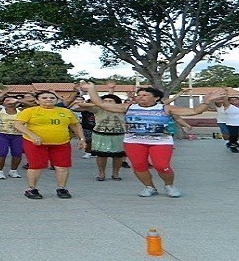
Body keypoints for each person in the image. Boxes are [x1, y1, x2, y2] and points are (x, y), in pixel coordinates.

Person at [83, 82, 225, 197]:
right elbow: (100, 104)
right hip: (134, 141)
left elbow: (195, 111)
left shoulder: (166, 108)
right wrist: (91, 89)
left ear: (156, 98)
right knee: (139, 166)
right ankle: (149, 187)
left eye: (145, 95)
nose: (141, 97)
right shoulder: (128, 107)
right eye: (139, 95)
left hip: (160, 141)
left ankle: (169, 186)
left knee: (161, 165)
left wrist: (206, 102)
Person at [10, 91, 85, 199]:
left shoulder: (65, 111)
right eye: (44, 98)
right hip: (35, 143)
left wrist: (82, 139)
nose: (48, 99)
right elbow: (18, 124)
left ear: (56, 100)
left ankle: (62, 188)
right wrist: (32, 135)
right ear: (37, 100)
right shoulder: (30, 111)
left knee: (62, 166)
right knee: (36, 166)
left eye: (51, 98)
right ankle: (32, 189)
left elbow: (75, 125)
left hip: (61, 143)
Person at [83, 83, 127, 181]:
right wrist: (98, 103)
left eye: (110, 101)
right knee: (102, 155)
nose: (107, 102)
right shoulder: (97, 109)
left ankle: (116, 174)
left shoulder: (122, 108)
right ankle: (101, 173)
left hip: (119, 134)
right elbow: (81, 105)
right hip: (100, 134)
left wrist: (111, 91)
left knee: (118, 156)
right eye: (105, 101)